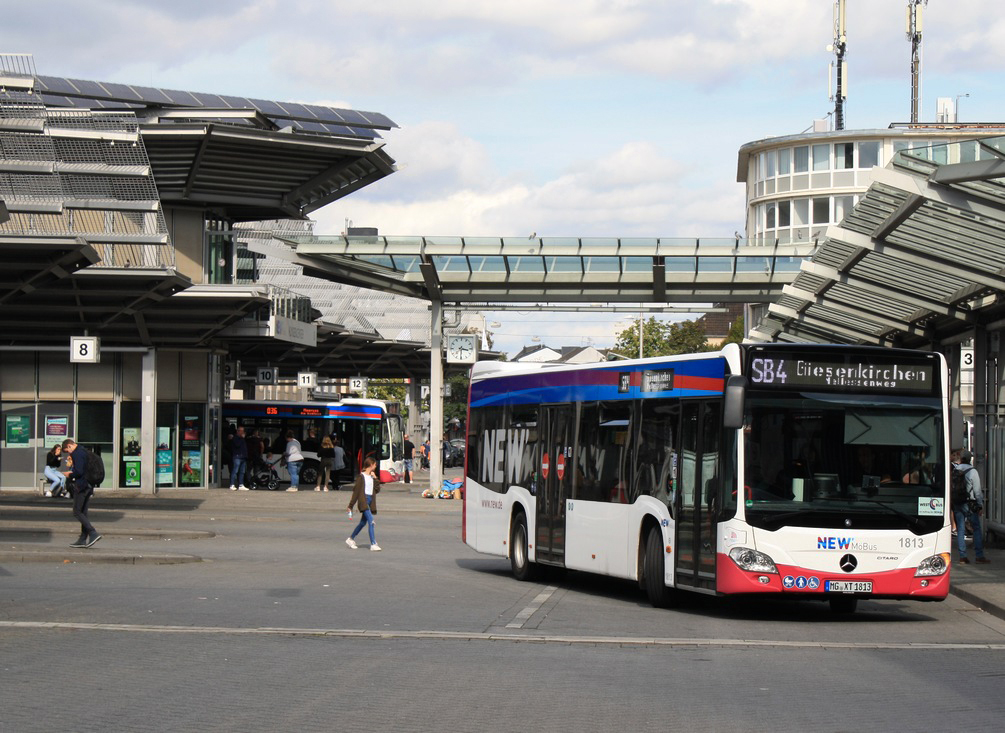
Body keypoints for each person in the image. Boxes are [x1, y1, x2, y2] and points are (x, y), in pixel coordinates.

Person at [62, 438, 100, 548]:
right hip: (89, 485)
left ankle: (93, 532)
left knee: (77, 511)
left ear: (69, 446)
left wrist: (69, 474)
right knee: (83, 512)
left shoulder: (77, 454)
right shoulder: (84, 451)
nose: (68, 453)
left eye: (67, 450)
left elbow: (79, 472)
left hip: (81, 486)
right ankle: (82, 539)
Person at [953, 450, 989, 565]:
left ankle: (963, 556)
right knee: (976, 529)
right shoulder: (973, 471)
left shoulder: (955, 470)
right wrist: (980, 505)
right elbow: (977, 491)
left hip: (958, 502)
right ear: (970, 459)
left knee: (961, 529)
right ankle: (979, 556)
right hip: (970, 503)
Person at [345, 456, 381, 551]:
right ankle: (373, 543)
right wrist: (350, 505)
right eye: (375, 464)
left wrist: (376, 478)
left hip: (370, 500)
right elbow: (356, 492)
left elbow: (377, 490)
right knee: (371, 521)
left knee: (362, 523)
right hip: (363, 500)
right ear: (370, 465)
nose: (375, 466)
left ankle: (350, 539)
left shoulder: (372, 477)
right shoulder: (361, 477)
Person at [229, 425, 249, 491]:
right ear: (238, 431)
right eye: (242, 431)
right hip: (237, 456)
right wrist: (242, 438)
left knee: (242, 472)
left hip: (243, 457)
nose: (243, 433)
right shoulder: (235, 438)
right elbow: (237, 445)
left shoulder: (242, 439)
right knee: (235, 471)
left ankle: (241, 484)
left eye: (243, 431)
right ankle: (232, 484)